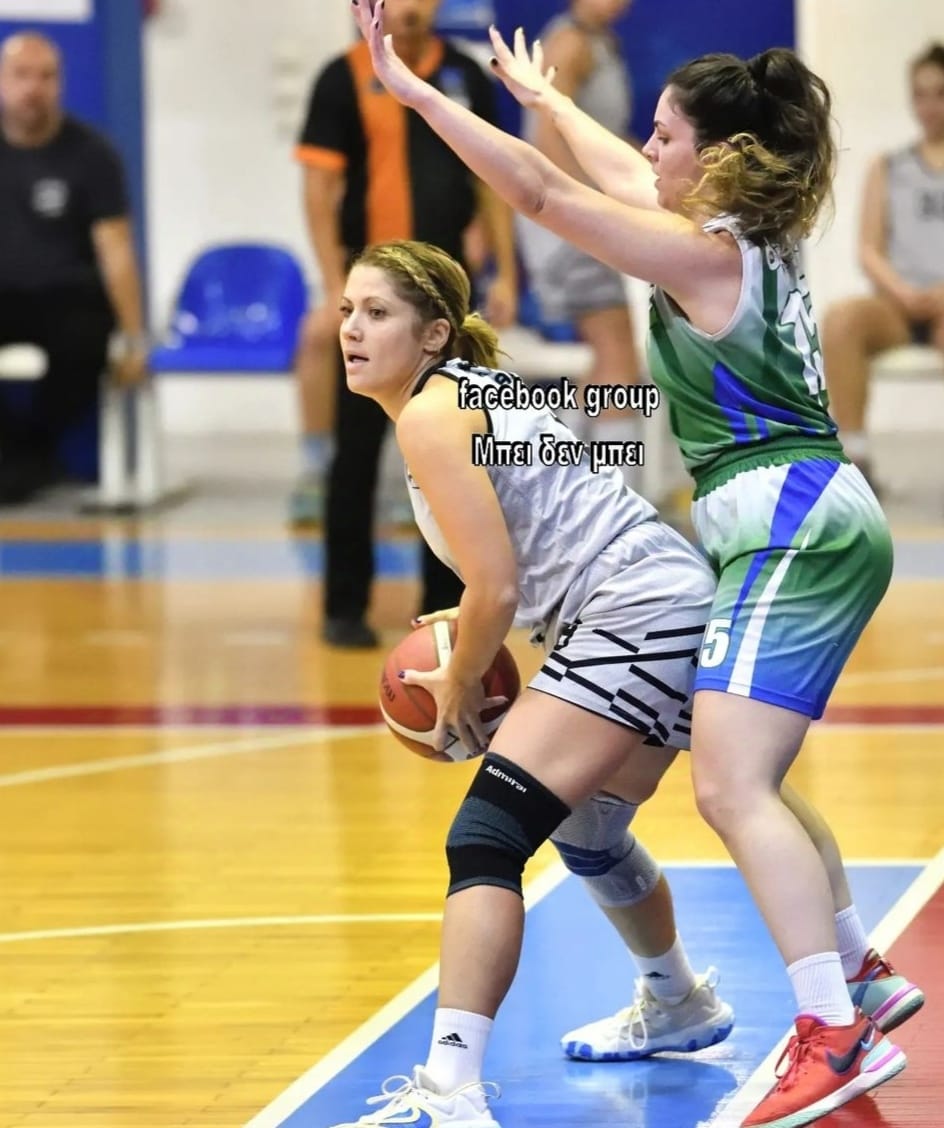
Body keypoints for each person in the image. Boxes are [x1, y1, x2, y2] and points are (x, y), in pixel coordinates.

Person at [348, 7, 926, 1127]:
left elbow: (544, 196)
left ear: (716, 158)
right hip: (789, 520)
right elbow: (607, 169)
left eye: (663, 135)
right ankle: (846, 973)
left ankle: (831, 1026)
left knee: (729, 786)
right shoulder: (727, 232)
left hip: (786, 520)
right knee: (720, 781)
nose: (645, 150)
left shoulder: (703, 254)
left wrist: (417, 96)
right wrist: (548, 100)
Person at [330, 237, 734, 1127]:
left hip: (633, 605)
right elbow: (536, 523)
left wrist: (457, 681)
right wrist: (470, 634)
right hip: (658, 592)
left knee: (486, 839)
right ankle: (680, 999)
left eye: (378, 313)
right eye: (348, 310)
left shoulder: (431, 416)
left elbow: (498, 587)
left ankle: (450, 1086)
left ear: (434, 333)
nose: (351, 329)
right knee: (591, 828)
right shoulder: (480, 388)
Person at [290, 0, 518, 649]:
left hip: (446, 299)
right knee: (355, 454)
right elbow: (320, 191)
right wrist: (337, 288)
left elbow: (492, 181)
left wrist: (506, 273)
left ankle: (444, 605)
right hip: (374, 299)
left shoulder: (465, 75)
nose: (411, 10)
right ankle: (343, 604)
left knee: (450, 453)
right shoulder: (342, 77)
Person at [0, 31, 148, 503]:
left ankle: (33, 451)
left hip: (68, 299)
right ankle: (15, 454)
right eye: (21, 75)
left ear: (60, 83)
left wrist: (134, 336)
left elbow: (116, 250)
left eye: (46, 76)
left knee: (84, 340)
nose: (33, 88)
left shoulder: (92, 154)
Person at [518, 0, 643, 464]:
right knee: (618, 355)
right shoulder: (569, 45)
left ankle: (562, 477)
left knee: (606, 360)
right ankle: (620, 490)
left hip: (584, 216)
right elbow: (548, 139)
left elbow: (604, 136)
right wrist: (588, 208)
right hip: (568, 218)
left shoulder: (602, 43)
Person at [821, 42, 944, 486]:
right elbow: (869, 249)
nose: (929, 106)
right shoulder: (888, 167)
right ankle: (855, 461)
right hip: (899, 303)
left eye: (940, 93)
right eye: (920, 94)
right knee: (842, 321)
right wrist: (903, 292)